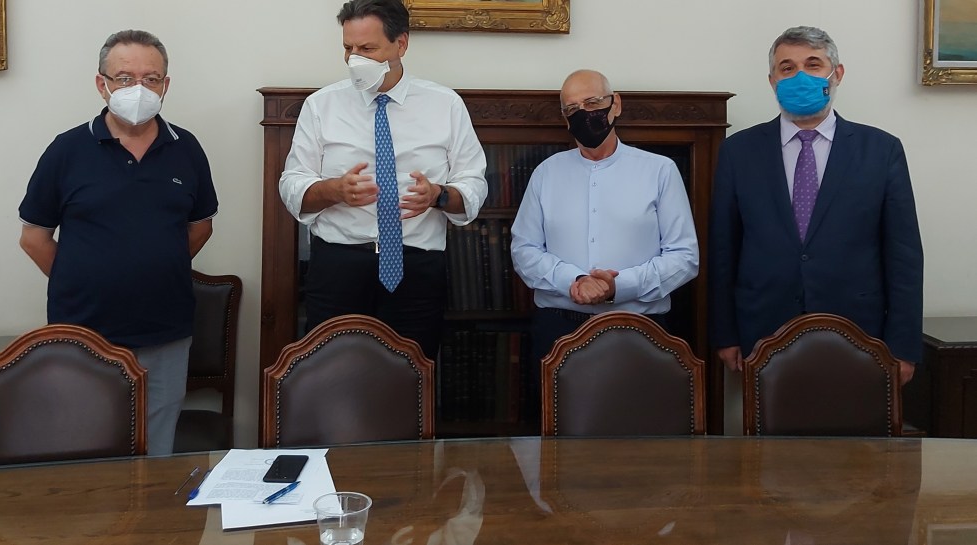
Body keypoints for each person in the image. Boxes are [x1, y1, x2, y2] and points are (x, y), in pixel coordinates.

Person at [19, 30, 218, 455]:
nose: (138, 89)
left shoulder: (186, 148)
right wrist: (83, 276)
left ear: (165, 85)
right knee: (83, 444)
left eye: (151, 78)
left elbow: (200, 227)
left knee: (157, 447)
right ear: (102, 84)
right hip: (83, 330)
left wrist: (155, 266)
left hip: (165, 329)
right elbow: (34, 237)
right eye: (125, 78)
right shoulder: (66, 150)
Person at [709, 26, 923, 386]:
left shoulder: (881, 150)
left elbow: (904, 255)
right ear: (772, 80)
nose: (800, 76)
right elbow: (723, 250)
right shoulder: (738, 151)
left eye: (813, 64)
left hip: (859, 329)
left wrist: (903, 346)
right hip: (762, 328)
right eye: (787, 68)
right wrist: (725, 334)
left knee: (853, 424)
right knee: (767, 425)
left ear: (836, 74)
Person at [279, 0, 487, 360]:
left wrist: (438, 195)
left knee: (411, 374)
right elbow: (292, 185)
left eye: (367, 48)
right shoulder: (321, 105)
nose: (354, 59)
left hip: (416, 268)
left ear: (400, 44)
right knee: (333, 373)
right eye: (348, 48)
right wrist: (334, 190)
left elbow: (474, 185)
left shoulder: (445, 105)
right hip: (339, 267)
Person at [511, 69, 699, 424]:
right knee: (558, 434)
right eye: (572, 109)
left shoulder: (659, 171)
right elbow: (524, 250)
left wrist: (617, 286)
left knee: (640, 435)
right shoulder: (546, 174)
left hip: (640, 329)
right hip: (559, 330)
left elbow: (685, 258)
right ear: (565, 119)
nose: (584, 114)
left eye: (593, 102)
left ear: (616, 105)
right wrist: (575, 280)